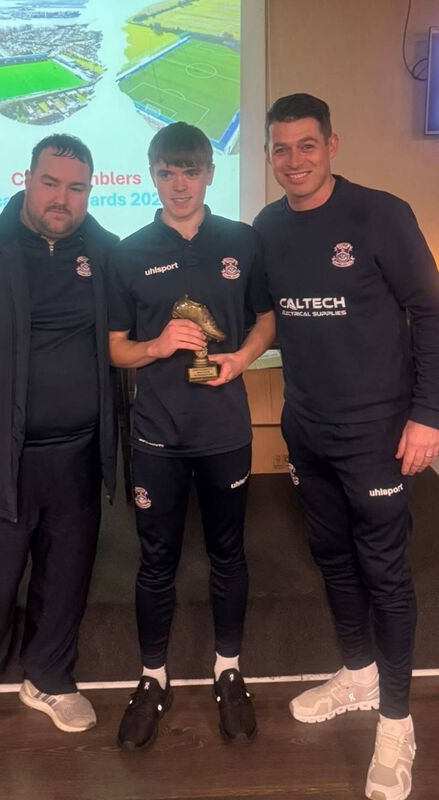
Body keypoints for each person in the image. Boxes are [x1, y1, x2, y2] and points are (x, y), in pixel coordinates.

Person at [253, 93, 439, 800]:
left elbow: (427, 310)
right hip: (307, 428)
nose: (292, 160)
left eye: (305, 145)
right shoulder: (267, 227)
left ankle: (396, 720)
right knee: (332, 557)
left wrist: (427, 414)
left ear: (331, 145)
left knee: (384, 571)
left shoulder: (378, 214)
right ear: (267, 155)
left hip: (379, 431)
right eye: (279, 148)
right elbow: (268, 317)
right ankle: (358, 675)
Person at [0, 134, 118, 768]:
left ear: (90, 190)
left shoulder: (104, 250)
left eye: (76, 187)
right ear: (27, 179)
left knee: (64, 579)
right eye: (51, 183)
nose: (62, 198)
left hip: (79, 457)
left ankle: (49, 678)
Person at [108, 122, 275, 751]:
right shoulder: (127, 251)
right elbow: (115, 349)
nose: (179, 184)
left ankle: (228, 669)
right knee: (157, 562)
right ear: (152, 175)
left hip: (225, 433)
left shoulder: (242, 242)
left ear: (210, 173)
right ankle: (153, 678)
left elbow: (265, 318)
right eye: (167, 172)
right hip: (156, 437)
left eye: (191, 171)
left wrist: (243, 359)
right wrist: (154, 346)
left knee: (228, 554)